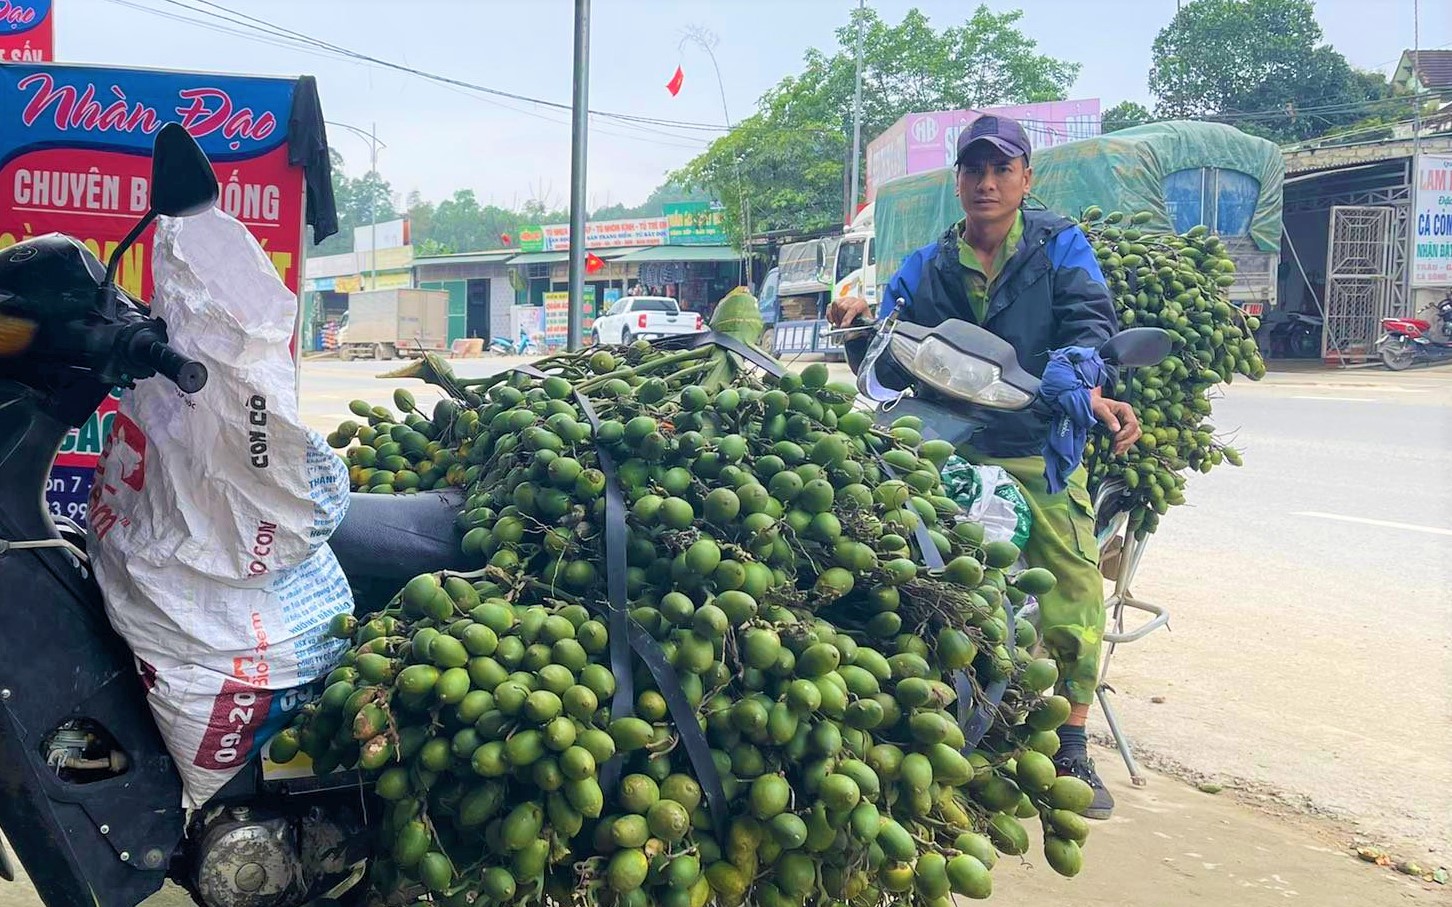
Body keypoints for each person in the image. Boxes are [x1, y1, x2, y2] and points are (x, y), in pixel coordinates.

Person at [828, 114, 1140, 820]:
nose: (987, 183)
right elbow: (889, 333)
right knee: (892, 551)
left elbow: (1093, 325)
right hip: (946, 440)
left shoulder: (1060, 248)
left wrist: (1078, 375)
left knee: (1071, 577)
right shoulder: (931, 263)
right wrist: (854, 322)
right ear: (958, 180)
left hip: (1032, 439)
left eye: (1002, 170)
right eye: (974, 170)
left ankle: (1071, 741)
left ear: (1027, 179)